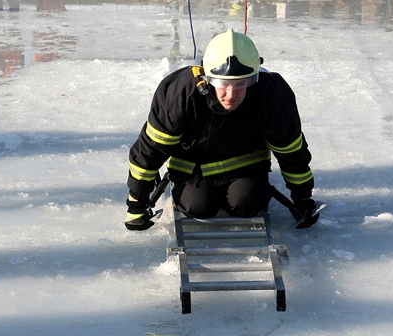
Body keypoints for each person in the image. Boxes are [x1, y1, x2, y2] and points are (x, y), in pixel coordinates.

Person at [124, 29, 318, 231]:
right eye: (223, 83)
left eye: (241, 83)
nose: (231, 94)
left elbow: (291, 151)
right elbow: (150, 151)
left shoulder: (272, 96)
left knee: (247, 203)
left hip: (246, 163)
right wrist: (137, 204)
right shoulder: (180, 96)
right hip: (194, 168)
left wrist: (302, 197)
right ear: (206, 77)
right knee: (197, 207)